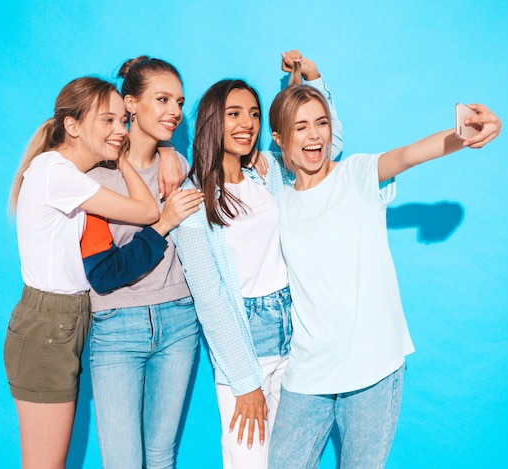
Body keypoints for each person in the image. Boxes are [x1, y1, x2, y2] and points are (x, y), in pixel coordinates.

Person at [266, 77, 502, 468]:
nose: (314, 135)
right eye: (300, 126)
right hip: (309, 369)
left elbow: (411, 154)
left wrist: (468, 133)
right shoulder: (280, 199)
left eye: (321, 123)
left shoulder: (356, 174)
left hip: (372, 366)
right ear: (279, 137)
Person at [170, 51, 342, 469]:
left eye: (252, 113)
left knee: (296, 460)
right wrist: (245, 382)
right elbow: (210, 298)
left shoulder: (266, 174)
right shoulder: (192, 200)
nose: (246, 123)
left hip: (296, 332)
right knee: (250, 461)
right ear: (213, 121)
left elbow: (323, 147)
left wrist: (312, 80)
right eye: (233, 114)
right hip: (247, 341)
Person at [3, 76, 165, 469]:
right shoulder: (57, 174)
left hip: (61, 323)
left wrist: (130, 154)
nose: (120, 131)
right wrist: (124, 159)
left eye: (123, 121)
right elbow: (148, 212)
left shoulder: (64, 175)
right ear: (72, 126)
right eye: (107, 121)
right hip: (49, 328)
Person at [85, 56, 203, 469]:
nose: (175, 111)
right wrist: (164, 222)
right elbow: (102, 275)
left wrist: (169, 150)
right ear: (130, 104)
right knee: (122, 463)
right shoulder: (96, 178)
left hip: (180, 323)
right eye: (163, 99)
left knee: (160, 457)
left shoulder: (179, 167)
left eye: (180, 101)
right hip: (117, 327)